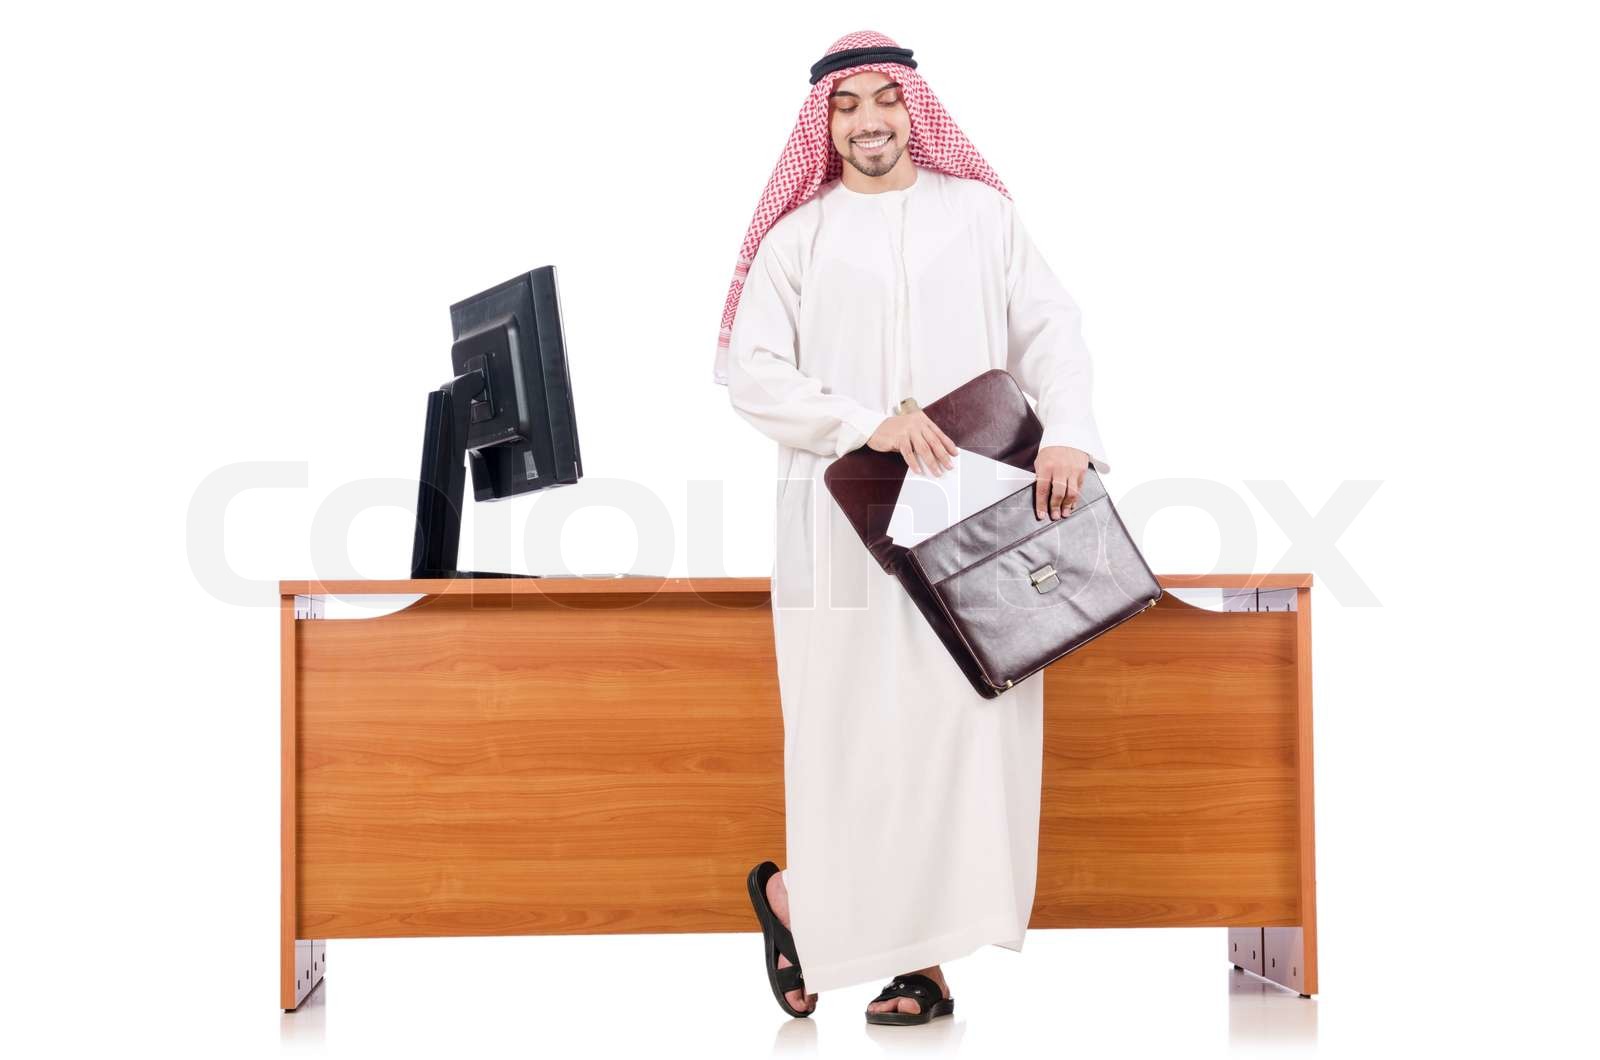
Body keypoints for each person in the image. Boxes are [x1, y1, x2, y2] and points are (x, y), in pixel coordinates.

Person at [718, 30, 1111, 1025]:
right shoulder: (796, 236)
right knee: (852, 735)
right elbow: (749, 368)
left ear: (912, 108)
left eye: (881, 102)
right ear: (825, 124)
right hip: (839, 524)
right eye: (844, 108)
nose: (866, 123)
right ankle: (804, 900)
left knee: (958, 733)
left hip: (972, 516)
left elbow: (1051, 330)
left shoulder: (978, 217)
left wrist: (1068, 433)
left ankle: (916, 961)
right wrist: (864, 424)